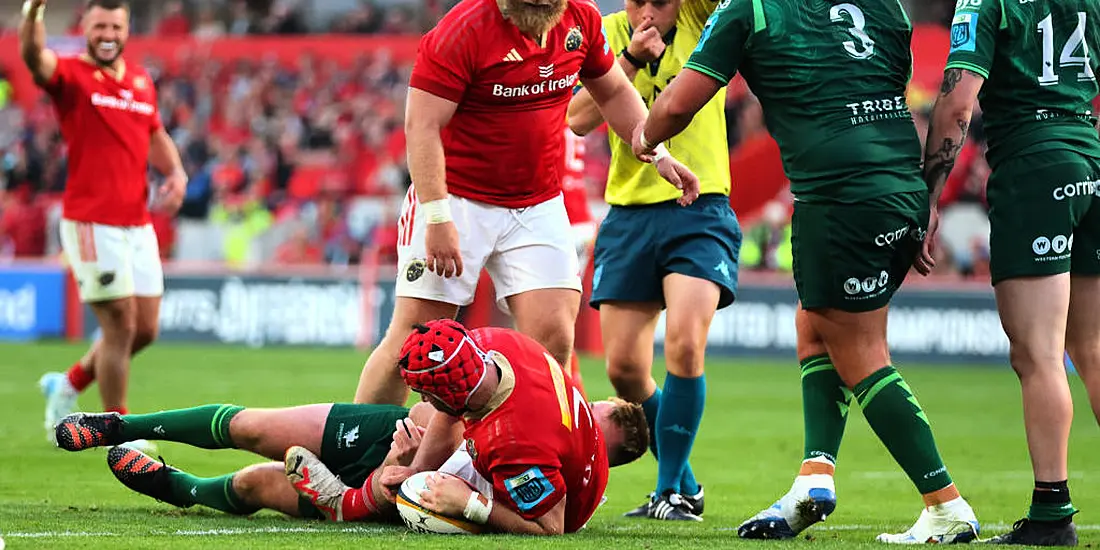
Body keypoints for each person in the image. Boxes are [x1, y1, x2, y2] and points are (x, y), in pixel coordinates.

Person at [635, 0, 982, 543]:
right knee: (814, 326)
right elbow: (887, 81)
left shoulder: (750, 8)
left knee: (862, 352)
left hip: (839, 197)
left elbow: (680, 103)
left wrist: (646, 137)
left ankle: (945, 502)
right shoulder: (884, 5)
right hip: (901, 186)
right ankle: (813, 478)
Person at [351, 0, 699, 407]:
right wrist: (437, 215)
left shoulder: (580, 19)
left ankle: (520, 459)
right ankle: (359, 458)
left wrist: (656, 151)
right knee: (413, 340)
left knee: (553, 339)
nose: (540, 2)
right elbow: (421, 125)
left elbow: (615, 91)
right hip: (458, 199)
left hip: (537, 204)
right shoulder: (461, 31)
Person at [921, 0, 1100, 545]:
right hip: (1088, 159)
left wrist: (929, 193)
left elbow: (958, 101)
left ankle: (1051, 512)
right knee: (1091, 347)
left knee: (1038, 353)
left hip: (1033, 169)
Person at [565, 0, 738, 521]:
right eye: (636, 0)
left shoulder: (701, 19)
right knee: (624, 371)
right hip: (629, 214)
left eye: (657, 3)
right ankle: (685, 484)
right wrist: (632, 59)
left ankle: (670, 493)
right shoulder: (609, 32)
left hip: (699, 207)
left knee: (685, 346)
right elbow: (576, 119)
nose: (645, 11)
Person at [290, 319, 650, 535]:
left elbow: (550, 528)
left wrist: (472, 504)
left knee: (418, 484)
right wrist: (417, 465)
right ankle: (358, 494)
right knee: (421, 434)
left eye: (427, 392)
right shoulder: (491, 343)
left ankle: (347, 504)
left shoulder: (515, 444)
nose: (424, 399)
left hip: (537, 495)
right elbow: (453, 400)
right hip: (528, 445)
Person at [20, 0, 187, 446]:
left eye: (115, 25)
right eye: (99, 26)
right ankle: (119, 430)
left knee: (146, 329)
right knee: (120, 326)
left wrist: (175, 172)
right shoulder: (71, 75)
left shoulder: (138, 79)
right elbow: (35, 59)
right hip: (93, 221)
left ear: (127, 29)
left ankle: (69, 383)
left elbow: (154, 133)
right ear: (86, 28)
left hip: (137, 221)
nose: (108, 32)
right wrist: (33, 11)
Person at [53, 401, 432, 520]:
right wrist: (404, 461)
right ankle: (118, 427)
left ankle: (180, 487)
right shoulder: (463, 418)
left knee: (255, 484)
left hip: (403, 494)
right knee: (253, 427)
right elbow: (429, 414)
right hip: (398, 438)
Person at [562, 126, 597, 393]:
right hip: (578, 218)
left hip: (562, 219)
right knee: (556, 317)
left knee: (551, 317)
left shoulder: (543, 105)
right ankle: (571, 391)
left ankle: (571, 393)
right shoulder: (568, 109)